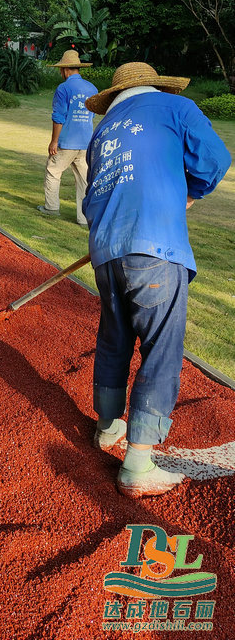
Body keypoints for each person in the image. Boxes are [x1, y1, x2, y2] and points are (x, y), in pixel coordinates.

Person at [83, 62, 231, 499]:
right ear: (154, 85)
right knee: (161, 348)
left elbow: (93, 198)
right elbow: (214, 160)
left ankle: (108, 428)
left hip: (106, 252)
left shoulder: (103, 130)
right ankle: (139, 462)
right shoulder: (176, 107)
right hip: (154, 248)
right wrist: (191, 193)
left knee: (114, 338)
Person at [38, 49, 98, 226]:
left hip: (67, 142)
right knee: (84, 180)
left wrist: (54, 141)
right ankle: (83, 217)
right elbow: (92, 115)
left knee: (53, 171)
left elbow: (58, 117)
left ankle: (51, 207)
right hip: (86, 142)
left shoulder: (63, 88)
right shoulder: (92, 88)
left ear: (65, 70)